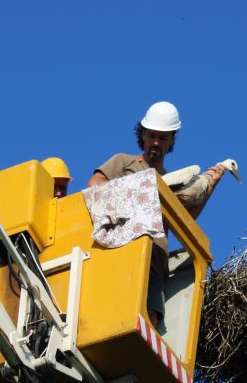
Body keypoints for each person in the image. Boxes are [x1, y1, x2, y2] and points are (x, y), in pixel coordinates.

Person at [88, 101, 225, 326]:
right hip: (120, 250)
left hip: (155, 259)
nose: (155, 142)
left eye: (162, 138)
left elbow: (184, 221)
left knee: (148, 322)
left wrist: (209, 186)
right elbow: (96, 184)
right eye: (151, 135)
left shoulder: (173, 182)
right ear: (142, 134)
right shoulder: (124, 162)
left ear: (171, 141)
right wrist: (134, 193)